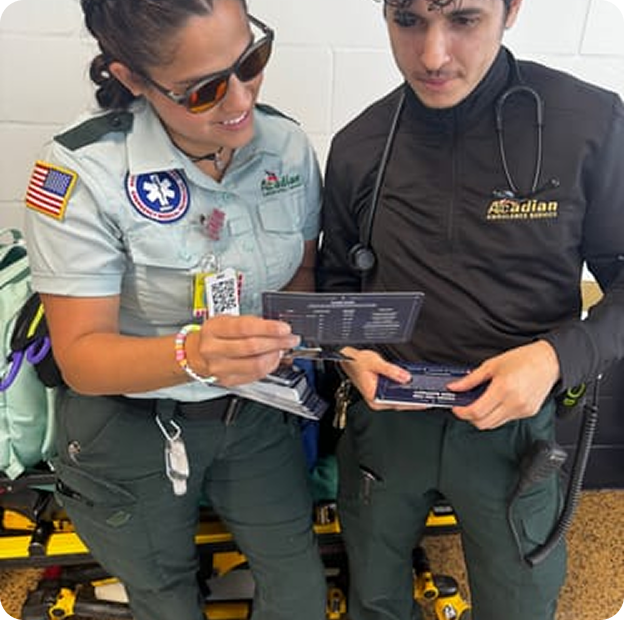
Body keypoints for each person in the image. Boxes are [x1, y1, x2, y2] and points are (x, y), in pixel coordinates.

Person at [316, 0, 624, 619]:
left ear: (511, 10)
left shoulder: (588, 123)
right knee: (374, 596)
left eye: (463, 19)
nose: (432, 56)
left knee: (519, 602)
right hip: (388, 421)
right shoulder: (358, 145)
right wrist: (348, 355)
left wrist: (555, 358)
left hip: (514, 429)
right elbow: (337, 285)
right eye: (408, 20)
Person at [22, 1, 328, 620]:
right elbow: (81, 358)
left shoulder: (286, 147)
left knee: (298, 587)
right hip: (131, 424)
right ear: (133, 78)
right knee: (164, 596)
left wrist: (306, 341)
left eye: (251, 60)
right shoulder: (80, 171)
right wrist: (194, 355)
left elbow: (300, 274)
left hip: (254, 410)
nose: (240, 98)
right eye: (203, 90)